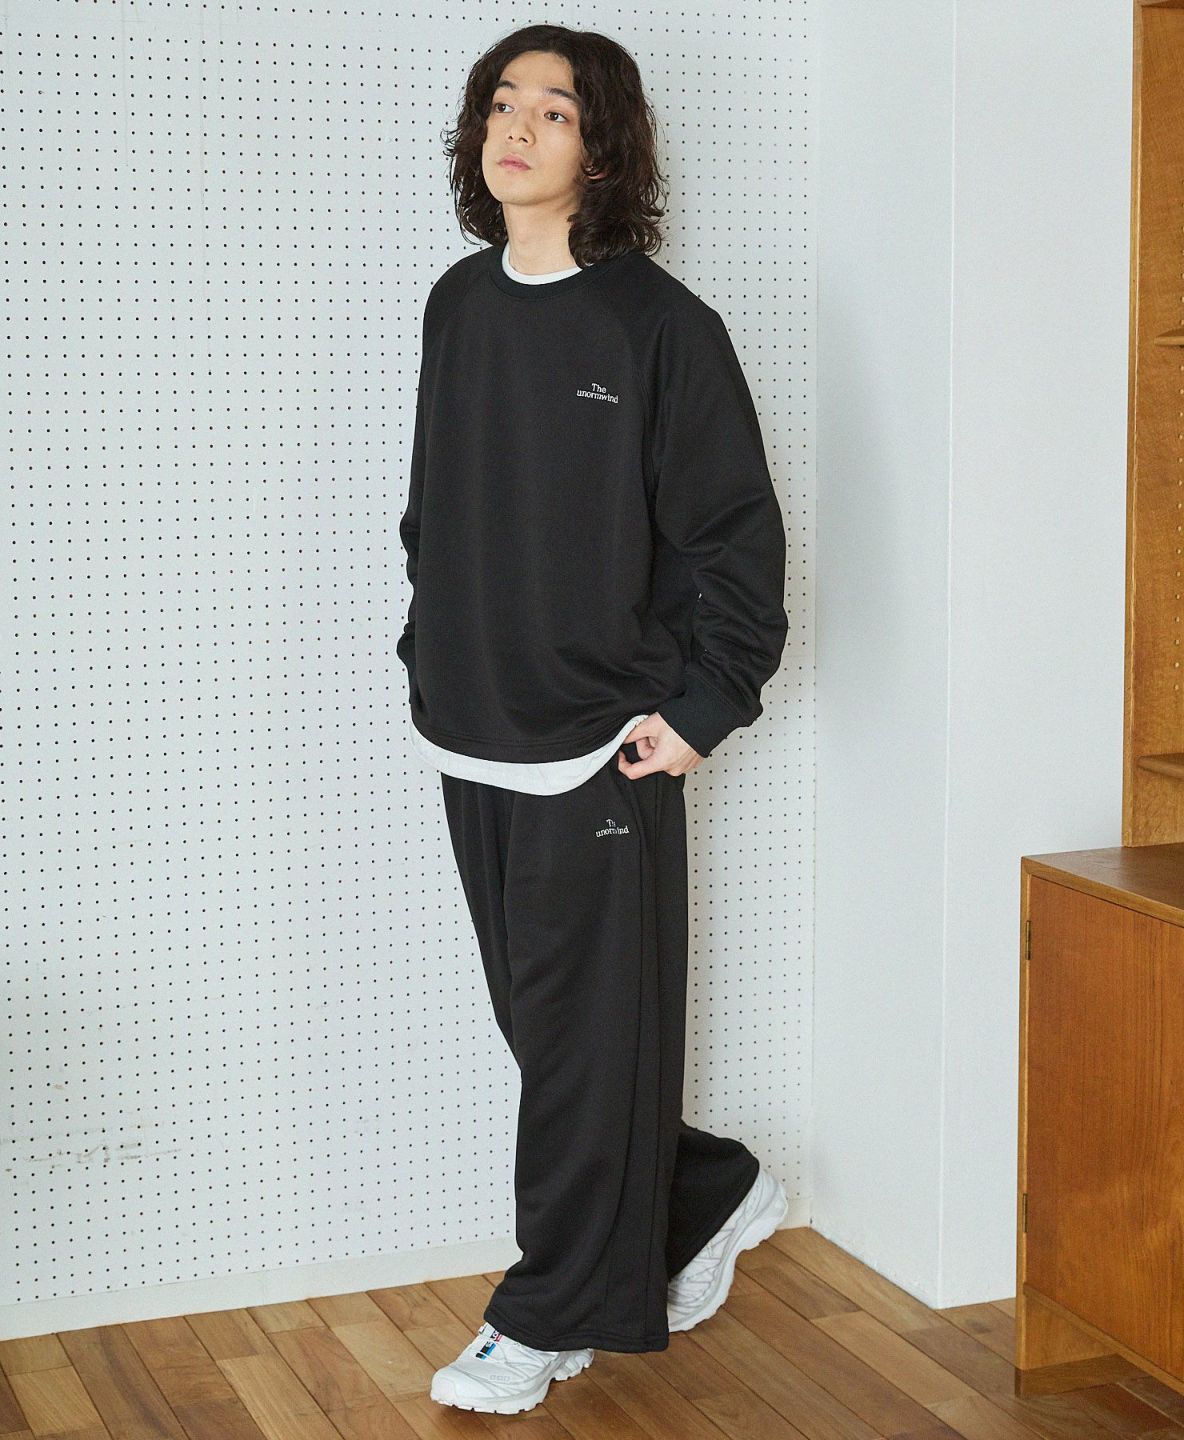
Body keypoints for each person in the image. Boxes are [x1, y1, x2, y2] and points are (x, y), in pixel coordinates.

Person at [396, 22, 790, 1417]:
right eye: (501, 103)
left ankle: (547, 1313)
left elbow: (738, 540)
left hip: (600, 749)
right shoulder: (459, 304)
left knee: (575, 1053)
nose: (517, 128)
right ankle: (704, 1186)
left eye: (554, 111)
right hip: (469, 731)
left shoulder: (661, 327)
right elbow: (434, 506)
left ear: (603, 146)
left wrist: (703, 709)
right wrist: (429, 647)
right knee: (555, 1039)